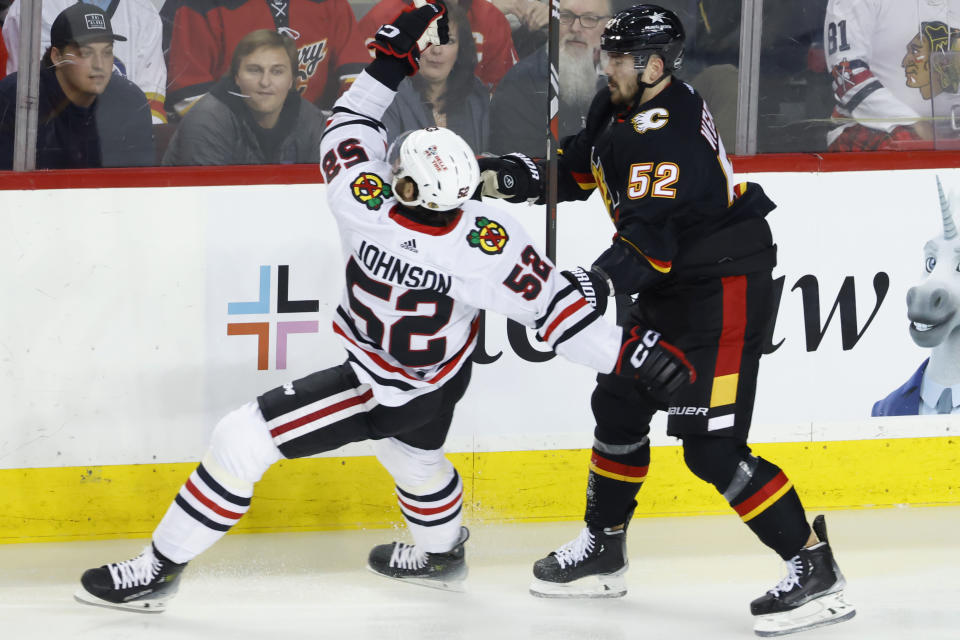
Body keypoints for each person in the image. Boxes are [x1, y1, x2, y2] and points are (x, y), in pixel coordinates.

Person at [73, 0, 692, 612]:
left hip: (380, 385)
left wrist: (392, 62)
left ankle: (157, 570)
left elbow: (348, 123)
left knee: (240, 439)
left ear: (403, 182)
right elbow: (560, 314)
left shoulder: (361, 200)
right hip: (442, 376)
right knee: (413, 456)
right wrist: (634, 356)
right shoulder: (486, 238)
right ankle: (441, 553)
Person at [478, 5, 855, 636]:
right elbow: (575, 173)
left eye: (619, 58)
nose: (607, 65)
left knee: (711, 449)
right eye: (608, 55)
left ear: (655, 66)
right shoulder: (615, 106)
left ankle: (815, 568)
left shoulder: (667, 133)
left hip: (722, 286)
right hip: (670, 279)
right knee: (620, 403)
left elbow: (648, 244)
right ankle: (605, 548)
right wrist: (503, 177)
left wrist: (587, 288)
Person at [0, 3, 153, 169]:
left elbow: (137, 184)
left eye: (107, 52)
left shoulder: (129, 100)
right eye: (85, 53)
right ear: (57, 56)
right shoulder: (17, 97)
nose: (99, 64)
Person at [160, 0, 369, 118]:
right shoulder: (198, 5)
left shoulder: (330, 4)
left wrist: (333, 124)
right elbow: (189, 96)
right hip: (231, 139)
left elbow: (358, 81)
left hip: (312, 137)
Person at [162, 29, 325, 165]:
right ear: (236, 77)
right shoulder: (208, 119)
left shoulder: (311, 120)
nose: (265, 82)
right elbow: (209, 199)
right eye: (254, 70)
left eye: (277, 71)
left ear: (292, 80)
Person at [824, 0, 960, 151]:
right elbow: (846, 72)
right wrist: (912, 123)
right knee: (909, 144)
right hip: (872, 128)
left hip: (950, 128)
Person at [3, 0, 168, 124]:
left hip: (118, 150)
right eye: (84, 52)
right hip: (53, 147)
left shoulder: (145, 13)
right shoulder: (33, 7)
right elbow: (31, 102)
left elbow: (151, 110)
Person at [488, 0, 610, 156]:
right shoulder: (521, 84)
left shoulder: (619, 77)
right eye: (566, 16)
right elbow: (523, 167)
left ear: (606, 24)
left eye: (589, 19)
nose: (576, 28)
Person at [381, 4, 488, 152]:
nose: (437, 50)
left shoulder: (476, 95)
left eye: (448, 41)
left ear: (460, 50)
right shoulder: (389, 94)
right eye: (429, 39)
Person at [358, 0, 518, 88]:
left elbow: (502, 91)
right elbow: (366, 91)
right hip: (398, 123)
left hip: (466, 126)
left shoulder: (489, 17)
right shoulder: (384, 16)